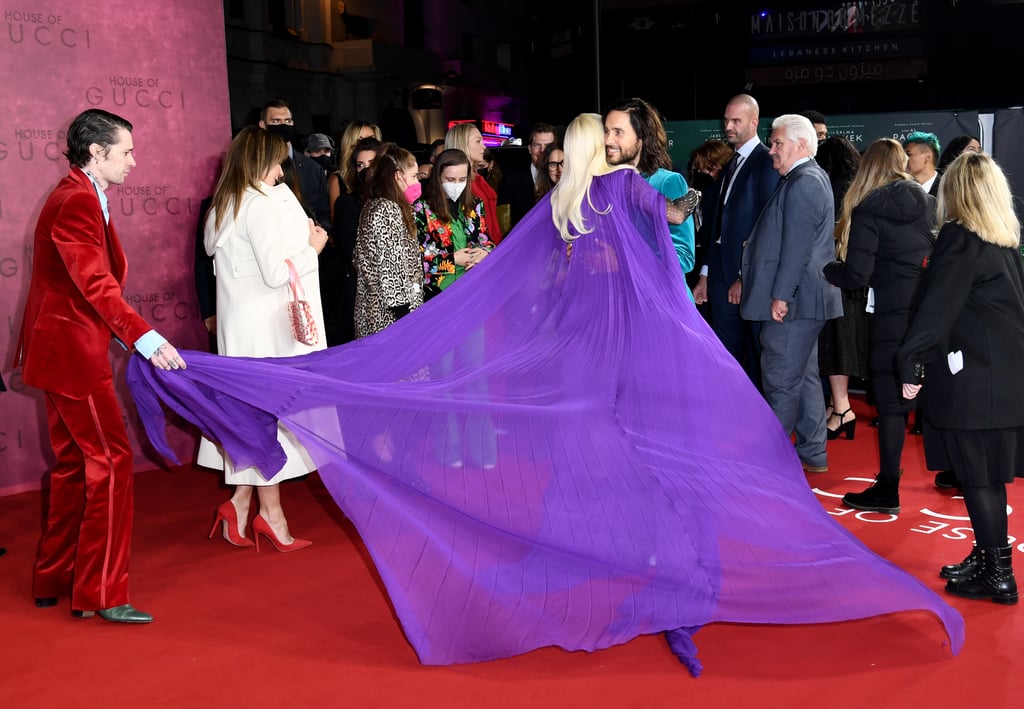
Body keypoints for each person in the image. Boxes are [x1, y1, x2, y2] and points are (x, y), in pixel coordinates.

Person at [128, 112, 963, 676]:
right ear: (614, 145)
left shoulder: (574, 199)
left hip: (581, 363)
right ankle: (654, 571)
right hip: (628, 360)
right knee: (650, 463)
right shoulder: (627, 192)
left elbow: (521, 275)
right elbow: (661, 289)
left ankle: (616, 565)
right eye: (619, 133)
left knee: (596, 462)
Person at [13, 108, 187, 623]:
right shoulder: (75, 201)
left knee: (73, 467)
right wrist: (147, 339)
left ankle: (54, 576)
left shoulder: (82, 194)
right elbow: (96, 285)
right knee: (111, 463)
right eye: (127, 151)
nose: (135, 161)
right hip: (73, 357)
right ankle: (101, 592)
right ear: (97, 152)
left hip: (62, 352)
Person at [898, 151, 1022, 604]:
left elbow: (936, 311)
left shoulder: (960, 238)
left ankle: (998, 575)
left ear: (956, 192)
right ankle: (988, 557)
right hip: (1002, 379)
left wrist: (911, 363)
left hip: (974, 380)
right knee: (984, 477)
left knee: (979, 479)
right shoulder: (1003, 241)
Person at [197, 126, 329, 553]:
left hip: (242, 332)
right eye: (276, 161)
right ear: (258, 162)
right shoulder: (261, 204)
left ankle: (238, 505)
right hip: (271, 333)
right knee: (265, 419)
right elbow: (277, 273)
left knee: (251, 416)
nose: (280, 170)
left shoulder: (224, 205)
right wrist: (313, 248)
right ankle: (270, 516)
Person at [823, 139, 936, 513]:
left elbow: (857, 274)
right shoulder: (930, 203)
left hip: (890, 316)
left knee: (890, 407)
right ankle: (953, 472)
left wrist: (825, 269)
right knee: (932, 398)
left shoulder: (869, 208)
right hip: (928, 314)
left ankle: (888, 488)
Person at [740, 114, 843, 474]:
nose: (771, 150)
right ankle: (813, 453)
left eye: (777, 143)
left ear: (801, 144)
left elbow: (797, 247)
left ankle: (770, 464)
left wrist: (781, 296)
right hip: (804, 299)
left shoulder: (805, 181)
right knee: (804, 378)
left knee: (782, 381)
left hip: (794, 301)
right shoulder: (805, 177)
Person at [692, 95, 779, 386]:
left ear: (754, 122)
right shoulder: (732, 163)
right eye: (726, 120)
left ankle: (756, 420)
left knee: (754, 355)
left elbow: (765, 226)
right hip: (718, 276)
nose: (728, 126)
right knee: (724, 354)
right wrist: (704, 274)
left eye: (736, 121)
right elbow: (718, 226)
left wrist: (744, 276)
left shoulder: (766, 163)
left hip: (747, 280)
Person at [603, 98, 696, 295]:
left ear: (641, 137)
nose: (608, 140)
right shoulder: (607, 184)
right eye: (606, 131)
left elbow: (685, 257)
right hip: (621, 300)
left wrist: (622, 259)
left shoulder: (667, 182)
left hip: (662, 303)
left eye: (618, 132)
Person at [814, 135, 868, 440]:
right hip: (854, 278)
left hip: (835, 274)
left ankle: (842, 409)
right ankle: (839, 406)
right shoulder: (859, 186)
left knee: (836, 343)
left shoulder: (830, 188)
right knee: (842, 342)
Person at [354, 142, 425, 337]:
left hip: (378, 309)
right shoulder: (388, 210)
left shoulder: (375, 204)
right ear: (397, 177)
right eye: (413, 176)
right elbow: (391, 268)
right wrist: (405, 319)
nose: (417, 182)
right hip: (391, 317)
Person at [414, 148, 493, 297]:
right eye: (450, 180)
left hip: (474, 286)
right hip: (439, 292)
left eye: (462, 180)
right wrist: (453, 260)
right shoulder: (421, 209)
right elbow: (414, 263)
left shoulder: (475, 204)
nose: (457, 185)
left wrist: (484, 252)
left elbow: (487, 241)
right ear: (438, 177)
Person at [446, 123, 504, 243]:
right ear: (463, 143)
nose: (484, 147)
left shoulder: (477, 178)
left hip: (491, 246)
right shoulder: (456, 184)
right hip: (473, 251)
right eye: (478, 141)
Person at [499, 122, 556, 229]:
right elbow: (503, 225)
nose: (542, 151)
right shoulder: (511, 181)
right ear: (530, 149)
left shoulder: (563, 180)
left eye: (548, 146)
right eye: (537, 145)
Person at [904, 131, 942, 196]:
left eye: (908, 154)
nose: (904, 159)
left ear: (927, 158)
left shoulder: (948, 188)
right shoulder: (899, 189)